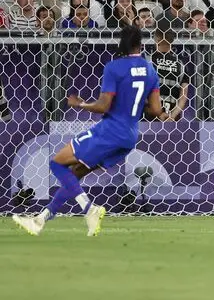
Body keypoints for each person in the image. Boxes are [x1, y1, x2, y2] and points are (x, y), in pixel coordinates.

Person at [12, 26, 163, 236]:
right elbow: (156, 110)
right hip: (129, 136)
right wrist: (133, 106)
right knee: (75, 174)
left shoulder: (114, 67)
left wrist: (79, 104)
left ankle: (89, 209)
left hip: (109, 130)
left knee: (57, 163)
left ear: (121, 43)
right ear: (141, 44)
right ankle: (40, 220)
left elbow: (103, 106)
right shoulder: (150, 69)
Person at [145, 26, 189, 121]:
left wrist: (160, 113)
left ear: (156, 40)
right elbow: (183, 96)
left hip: (148, 116)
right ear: (172, 41)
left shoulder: (146, 61)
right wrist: (172, 116)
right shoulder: (181, 65)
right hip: (172, 119)